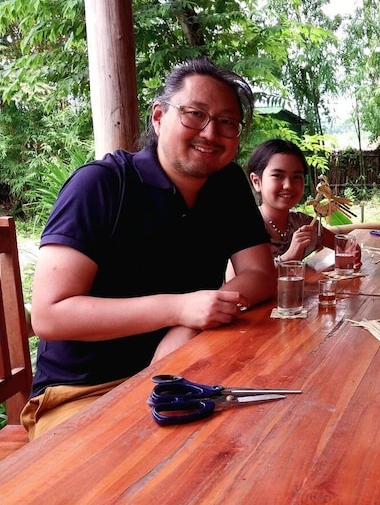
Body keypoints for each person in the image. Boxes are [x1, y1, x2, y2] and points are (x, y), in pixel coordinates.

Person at [24, 56, 276, 440]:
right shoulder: (102, 185)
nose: (211, 133)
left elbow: (261, 274)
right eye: (195, 114)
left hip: (187, 370)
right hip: (85, 391)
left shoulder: (227, 186)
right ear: (159, 117)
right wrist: (178, 308)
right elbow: (50, 315)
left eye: (227, 122)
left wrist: (188, 323)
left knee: (265, 437)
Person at [243, 138, 361, 268]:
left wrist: (352, 249)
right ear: (256, 181)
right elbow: (245, 278)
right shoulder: (247, 226)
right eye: (278, 175)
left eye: (296, 177)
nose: (288, 185)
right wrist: (290, 256)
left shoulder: (302, 222)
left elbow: (343, 245)